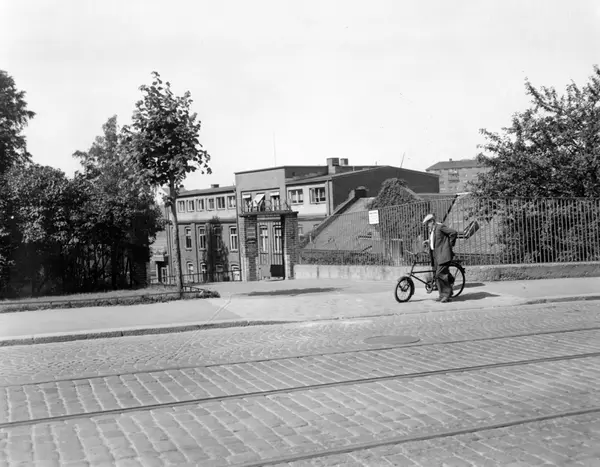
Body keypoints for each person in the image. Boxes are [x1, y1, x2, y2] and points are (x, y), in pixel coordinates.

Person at [422, 213, 458, 303]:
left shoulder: (440, 227)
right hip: (435, 255)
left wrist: (449, 245)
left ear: (432, 221)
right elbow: (437, 239)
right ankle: (442, 295)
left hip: (443, 254)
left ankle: (446, 295)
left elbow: (453, 233)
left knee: (440, 274)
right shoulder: (432, 230)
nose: (427, 225)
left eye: (428, 223)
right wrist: (428, 241)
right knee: (436, 275)